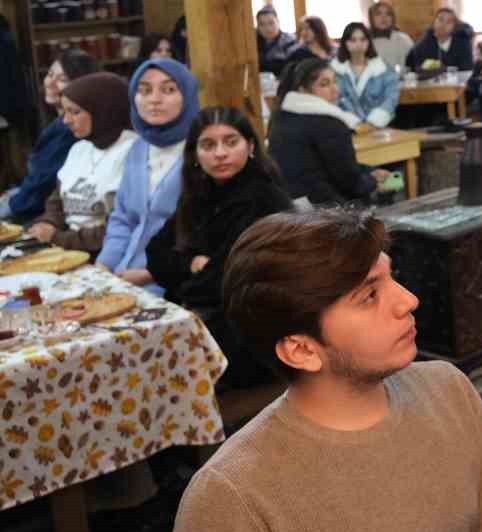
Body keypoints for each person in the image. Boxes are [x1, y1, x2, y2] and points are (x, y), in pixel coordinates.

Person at [171, 208, 482, 532]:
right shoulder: (228, 501)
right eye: (369, 295)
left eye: (392, 278)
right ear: (301, 350)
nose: (409, 300)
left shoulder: (448, 391)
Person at [146, 106, 293, 391]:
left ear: (250, 146)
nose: (220, 153)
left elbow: (223, 280)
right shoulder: (197, 194)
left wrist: (194, 271)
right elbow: (155, 255)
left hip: (245, 333)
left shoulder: (265, 198)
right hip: (201, 320)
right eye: (208, 145)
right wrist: (191, 265)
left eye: (231, 141)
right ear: (195, 154)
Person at [99, 58, 201, 290]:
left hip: (176, 284)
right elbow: (123, 218)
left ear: (187, 95)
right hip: (124, 274)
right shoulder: (138, 147)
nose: (154, 99)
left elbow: (204, 237)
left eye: (169, 90)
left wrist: (150, 274)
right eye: (144, 90)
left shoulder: (202, 150)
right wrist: (104, 265)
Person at [25, 72, 136, 256]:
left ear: (102, 110)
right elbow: (57, 201)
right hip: (66, 248)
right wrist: (48, 223)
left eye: (75, 112)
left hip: (106, 254)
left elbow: (122, 227)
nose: (66, 120)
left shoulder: (132, 151)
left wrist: (59, 238)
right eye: (64, 111)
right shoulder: (79, 149)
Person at [268, 59, 389, 205]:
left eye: (334, 82)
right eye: (324, 84)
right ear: (302, 90)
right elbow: (350, 183)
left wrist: (368, 172)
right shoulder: (328, 123)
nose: (335, 90)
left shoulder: (281, 116)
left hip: (288, 204)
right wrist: (373, 180)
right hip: (322, 210)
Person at [0, 48, 98, 222]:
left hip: (45, 213)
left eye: (62, 79)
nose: (50, 83)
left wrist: (10, 204)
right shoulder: (58, 122)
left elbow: (42, 186)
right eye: (50, 74)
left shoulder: (72, 131)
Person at [333, 22, 399, 129]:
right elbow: (332, 101)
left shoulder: (383, 69)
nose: (358, 44)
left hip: (378, 127)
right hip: (344, 127)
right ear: (345, 43)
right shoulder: (334, 70)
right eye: (353, 40)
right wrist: (355, 124)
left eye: (363, 39)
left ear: (369, 42)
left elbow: (391, 98)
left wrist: (373, 123)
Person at [405, 7, 474, 73]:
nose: (443, 24)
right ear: (433, 22)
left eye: (449, 22)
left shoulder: (463, 43)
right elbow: (415, 67)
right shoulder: (424, 42)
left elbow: (467, 69)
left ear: (454, 27)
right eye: (440, 19)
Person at [366, 0, 414, 69]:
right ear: (371, 18)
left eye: (388, 14)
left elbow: (412, 65)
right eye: (378, 13)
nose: (383, 17)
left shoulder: (403, 39)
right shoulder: (364, 41)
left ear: (393, 18)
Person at [255, 7, 299, 76]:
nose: (267, 28)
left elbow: (289, 66)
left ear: (278, 22)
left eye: (271, 23)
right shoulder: (253, 43)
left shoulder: (290, 40)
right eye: (262, 24)